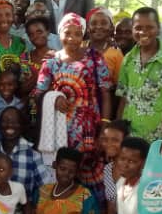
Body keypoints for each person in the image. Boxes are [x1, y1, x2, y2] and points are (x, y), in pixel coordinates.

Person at [34, 13, 112, 152]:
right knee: (65, 167)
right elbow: (39, 93)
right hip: (60, 126)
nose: (72, 38)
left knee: (88, 166)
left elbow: (106, 94)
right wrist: (54, 99)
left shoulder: (95, 58)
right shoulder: (51, 62)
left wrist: (105, 126)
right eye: (67, 33)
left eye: (77, 33)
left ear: (83, 35)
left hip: (90, 126)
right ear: (59, 34)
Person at [116, 7, 162, 140]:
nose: (143, 32)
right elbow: (123, 98)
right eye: (138, 27)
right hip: (130, 135)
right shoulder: (128, 59)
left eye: (149, 27)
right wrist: (119, 129)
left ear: (158, 29)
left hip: (157, 137)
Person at [0, 107, 48, 208]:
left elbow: (46, 188)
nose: (9, 125)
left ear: (21, 126)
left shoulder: (33, 155)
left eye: (15, 122)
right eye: (5, 121)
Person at [86, 7, 124, 86]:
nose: (99, 26)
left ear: (111, 28)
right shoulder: (79, 48)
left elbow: (119, 85)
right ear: (88, 28)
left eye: (104, 23)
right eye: (94, 23)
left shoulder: (116, 53)